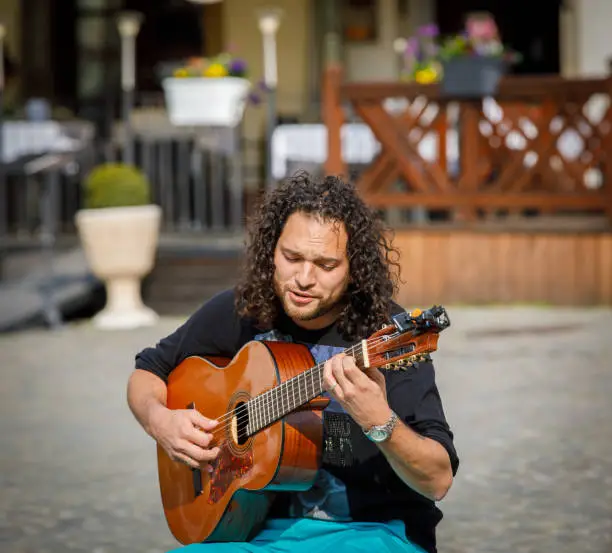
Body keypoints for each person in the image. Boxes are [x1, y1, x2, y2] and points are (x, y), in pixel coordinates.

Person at [127, 172, 459, 553]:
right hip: (256, 534)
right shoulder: (244, 310)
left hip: (374, 533)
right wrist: (160, 420)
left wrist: (379, 422)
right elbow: (149, 370)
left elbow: (438, 480)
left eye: (326, 265)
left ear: (354, 268)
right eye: (292, 257)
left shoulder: (384, 336)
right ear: (272, 250)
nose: (304, 278)